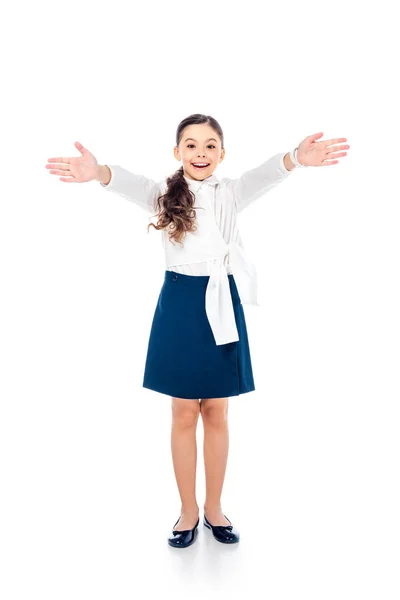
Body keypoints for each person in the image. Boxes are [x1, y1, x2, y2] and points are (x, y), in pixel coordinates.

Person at [45, 113, 349, 548]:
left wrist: (295, 159)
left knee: (218, 412)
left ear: (221, 154)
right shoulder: (164, 195)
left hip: (221, 302)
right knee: (184, 412)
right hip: (180, 306)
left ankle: (214, 507)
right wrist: (99, 173)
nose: (201, 153)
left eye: (210, 146)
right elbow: (128, 183)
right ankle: (187, 510)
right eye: (191, 145)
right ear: (177, 152)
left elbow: (265, 176)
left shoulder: (230, 192)